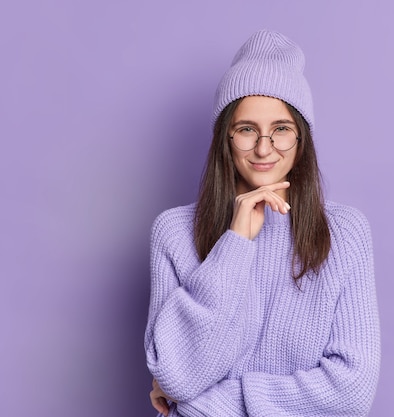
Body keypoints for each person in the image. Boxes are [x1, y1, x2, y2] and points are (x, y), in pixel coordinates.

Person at [144, 29, 380, 416]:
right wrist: (236, 243)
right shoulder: (174, 232)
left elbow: (350, 392)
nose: (264, 148)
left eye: (282, 129)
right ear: (225, 137)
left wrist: (203, 405)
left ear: (302, 140)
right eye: (247, 129)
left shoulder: (345, 233)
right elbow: (175, 374)